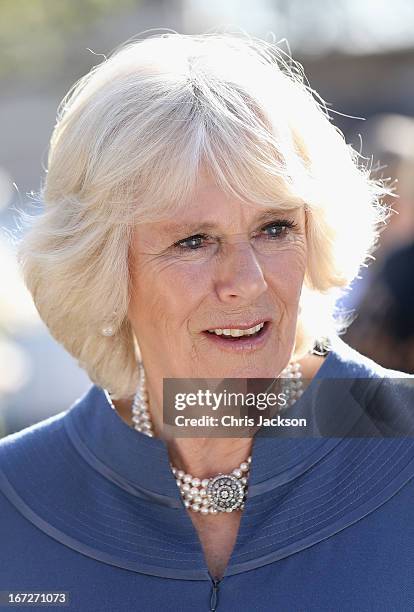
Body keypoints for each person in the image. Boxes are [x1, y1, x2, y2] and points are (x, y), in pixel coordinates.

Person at [1, 33, 413, 611]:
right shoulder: (17, 497)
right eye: (193, 241)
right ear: (104, 267)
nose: (246, 279)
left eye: (274, 228)